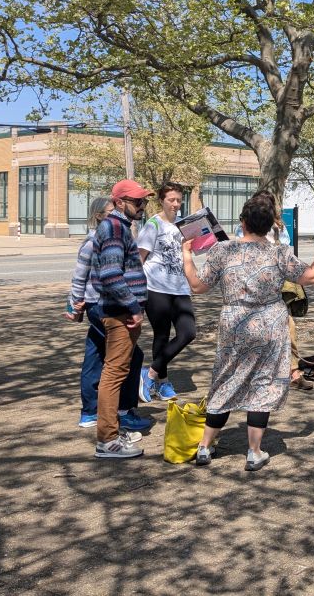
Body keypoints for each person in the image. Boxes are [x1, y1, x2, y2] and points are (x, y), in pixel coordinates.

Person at [182, 194, 314, 470]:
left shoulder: (223, 250)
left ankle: (204, 446)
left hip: (234, 323)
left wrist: (187, 254)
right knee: (264, 382)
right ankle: (254, 451)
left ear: (243, 222)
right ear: (270, 225)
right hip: (269, 324)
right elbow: (313, 275)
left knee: (226, 379)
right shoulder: (278, 253)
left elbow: (197, 286)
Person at [66, 197, 147, 432]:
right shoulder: (98, 239)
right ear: (99, 215)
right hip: (101, 305)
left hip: (98, 305)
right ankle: (123, 411)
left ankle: (90, 412)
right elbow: (80, 275)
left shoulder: (110, 235)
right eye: (110, 211)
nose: (115, 215)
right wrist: (74, 305)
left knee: (95, 355)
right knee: (130, 357)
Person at [90, 179, 153, 459]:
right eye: (137, 201)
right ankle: (108, 440)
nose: (142, 205)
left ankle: (111, 431)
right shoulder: (114, 227)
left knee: (116, 371)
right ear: (119, 202)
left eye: (143, 201)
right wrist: (134, 307)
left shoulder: (119, 226)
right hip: (120, 314)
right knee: (114, 373)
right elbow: (111, 275)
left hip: (121, 311)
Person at [232, 190, 309, 391]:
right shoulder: (243, 226)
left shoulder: (279, 227)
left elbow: (285, 253)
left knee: (288, 326)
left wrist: (274, 235)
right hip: (252, 288)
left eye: (268, 204)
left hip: (276, 287)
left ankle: (293, 372)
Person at [137, 182, 196, 403]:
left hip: (180, 288)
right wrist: (136, 291)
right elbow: (139, 259)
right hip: (156, 287)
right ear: (161, 200)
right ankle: (162, 384)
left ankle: (150, 374)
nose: (176, 204)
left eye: (179, 200)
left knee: (188, 333)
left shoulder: (184, 225)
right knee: (161, 336)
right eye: (171, 200)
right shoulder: (153, 225)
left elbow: (192, 252)